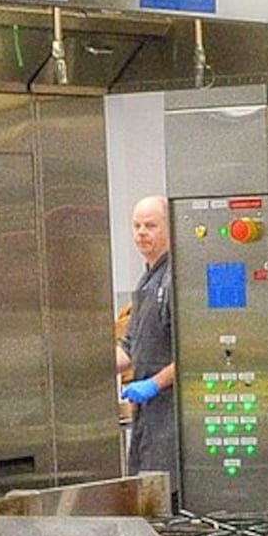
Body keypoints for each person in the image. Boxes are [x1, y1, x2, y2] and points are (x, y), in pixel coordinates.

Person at [117, 196, 179, 486]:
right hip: (147, 415)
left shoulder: (174, 280)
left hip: (171, 412)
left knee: (163, 491)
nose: (141, 232)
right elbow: (129, 349)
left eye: (150, 225)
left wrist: (155, 383)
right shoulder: (146, 282)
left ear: (170, 227)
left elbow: (194, 353)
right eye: (137, 226)